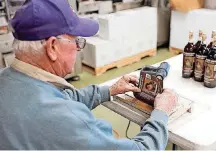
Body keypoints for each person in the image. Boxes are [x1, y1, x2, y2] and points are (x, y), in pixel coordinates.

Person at [0, 0, 177, 150]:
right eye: (76, 41)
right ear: (52, 47)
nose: (79, 48)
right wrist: (161, 113)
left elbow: (62, 97)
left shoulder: (7, 79)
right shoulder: (67, 119)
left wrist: (110, 90)